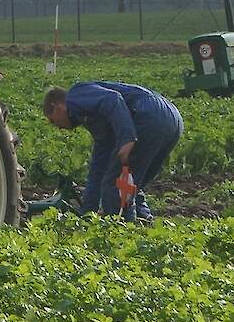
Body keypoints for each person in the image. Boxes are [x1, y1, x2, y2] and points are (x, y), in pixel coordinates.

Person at [43, 82, 183, 220]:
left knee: (115, 186)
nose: (58, 127)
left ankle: (122, 229)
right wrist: (87, 213)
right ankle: (143, 220)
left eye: (53, 121)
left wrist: (127, 137)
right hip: (171, 119)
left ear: (57, 107)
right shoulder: (100, 125)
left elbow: (112, 99)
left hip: (148, 114)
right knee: (131, 184)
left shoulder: (75, 96)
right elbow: (98, 170)